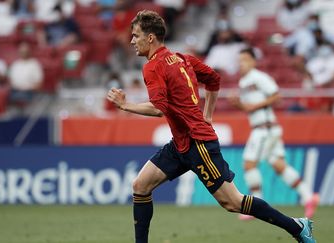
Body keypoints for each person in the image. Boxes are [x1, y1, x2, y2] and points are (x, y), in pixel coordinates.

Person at [106, 10, 316, 243]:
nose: (133, 41)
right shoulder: (183, 59)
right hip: (181, 144)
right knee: (141, 185)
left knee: (232, 202)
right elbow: (213, 79)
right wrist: (207, 114)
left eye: (136, 35)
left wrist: (126, 106)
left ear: (151, 37)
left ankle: (297, 227)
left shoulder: (153, 67)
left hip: (198, 143)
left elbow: (159, 108)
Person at [229, 48, 320, 221]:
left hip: (265, 128)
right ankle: (308, 196)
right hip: (265, 127)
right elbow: (250, 108)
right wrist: (239, 105)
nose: (242, 63)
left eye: (246, 60)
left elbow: (277, 96)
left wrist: (253, 106)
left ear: (254, 62)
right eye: (240, 60)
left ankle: (257, 204)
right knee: (279, 165)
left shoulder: (259, 77)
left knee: (249, 164)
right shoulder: (244, 82)